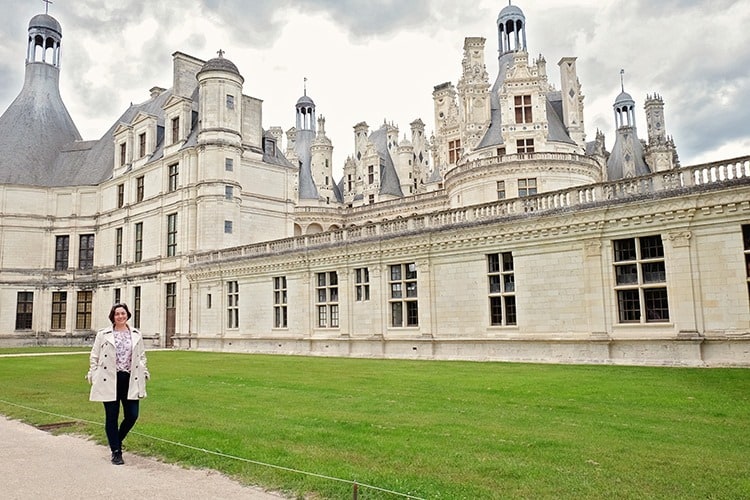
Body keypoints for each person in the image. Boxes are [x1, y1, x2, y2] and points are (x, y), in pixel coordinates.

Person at [86, 303, 150, 465]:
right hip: (109, 379)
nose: (120, 316)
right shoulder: (103, 334)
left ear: (127, 315)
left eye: (122, 313)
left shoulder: (136, 334)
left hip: (130, 379)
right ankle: (116, 451)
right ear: (112, 317)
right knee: (112, 417)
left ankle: (116, 440)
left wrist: (143, 370)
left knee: (132, 415)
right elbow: (94, 356)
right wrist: (94, 374)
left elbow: (142, 356)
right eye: (117, 314)